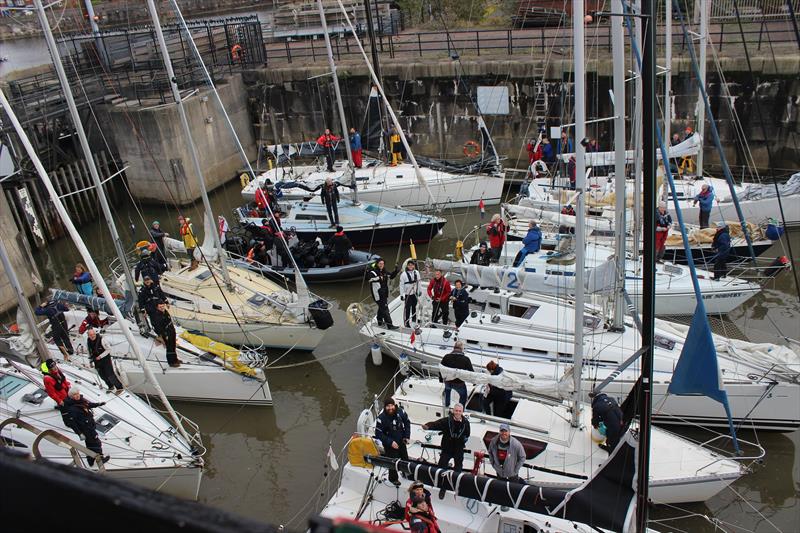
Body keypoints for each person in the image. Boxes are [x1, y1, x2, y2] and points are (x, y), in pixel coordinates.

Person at [62, 388, 109, 466]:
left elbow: (89, 405)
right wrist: (79, 433)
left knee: (90, 444)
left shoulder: (82, 401)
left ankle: (90, 461)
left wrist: (99, 404)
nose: (77, 396)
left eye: (77, 393)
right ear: (71, 397)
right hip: (86, 429)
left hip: (90, 426)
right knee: (96, 443)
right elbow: (72, 423)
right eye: (74, 395)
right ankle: (101, 458)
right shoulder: (72, 409)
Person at [421, 402, 470, 472]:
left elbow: (467, 434)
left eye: (460, 411)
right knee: (441, 465)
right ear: (453, 411)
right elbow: (437, 424)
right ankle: (440, 480)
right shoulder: (447, 421)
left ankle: (456, 480)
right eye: (456, 411)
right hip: (447, 447)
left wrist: (463, 440)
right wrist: (428, 426)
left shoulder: (466, 423)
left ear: (462, 412)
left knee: (458, 467)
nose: (458, 413)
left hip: (459, 448)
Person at [374, 397, 411, 486]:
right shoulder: (381, 418)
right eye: (388, 406)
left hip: (401, 441)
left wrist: (406, 436)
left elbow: (407, 422)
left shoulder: (401, 412)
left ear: (394, 405)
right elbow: (378, 433)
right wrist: (390, 442)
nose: (390, 408)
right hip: (389, 444)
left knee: (405, 458)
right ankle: (393, 478)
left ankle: (406, 473)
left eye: (392, 405)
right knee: (393, 462)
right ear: (385, 407)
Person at [85, 326, 124, 393]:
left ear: (95, 333)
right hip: (97, 360)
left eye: (93, 334)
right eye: (90, 335)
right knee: (102, 375)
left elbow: (109, 349)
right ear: (88, 335)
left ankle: (119, 387)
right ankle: (110, 386)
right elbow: (89, 352)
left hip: (105, 359)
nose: (92, 336)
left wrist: (100, 356)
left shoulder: (102, 339)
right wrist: (90, 361)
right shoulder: (88, 341)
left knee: (110, 375)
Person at [41, 359, 76, 431]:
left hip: (67, 393)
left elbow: (64, 380)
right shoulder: (47, 379)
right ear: (48, 369)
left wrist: (68, 386)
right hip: (61, 398)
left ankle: (74, 417)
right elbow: (51, 393)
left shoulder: (57, 371)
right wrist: (59, 401)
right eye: (52, 366)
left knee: (72, 407)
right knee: (65, 411)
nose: (54, 367)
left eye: (54, 364)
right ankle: (68, 423)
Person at [440, 341, 473, 407]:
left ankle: (447, 406)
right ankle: (460, 409)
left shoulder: (446, 357)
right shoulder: (466, 359)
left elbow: (441, 369)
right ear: (462, 348)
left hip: (448, 382)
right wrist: (473, 382)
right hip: (459, 383)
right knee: (463, 396)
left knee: (447, 391)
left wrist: (441, 379)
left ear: (454, 348)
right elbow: (471, 372)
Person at [369, 259, 399, 329]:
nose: (381, 265)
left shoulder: (384, 271)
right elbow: (370, 279)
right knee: (385, 309)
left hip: (384, 293)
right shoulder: (372, 272)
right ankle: (390, 325)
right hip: (377, 294)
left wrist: (396, 271)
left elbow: (391, 276)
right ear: (377, 264)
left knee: (382, 307)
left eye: (382, 263)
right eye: (380, 263)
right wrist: (379, 278)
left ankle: (379, 320)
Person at [151, 301, 181, 367]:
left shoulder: (165, 312)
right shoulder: (157, 316)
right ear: (157, 307)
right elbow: (158, 327)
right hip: (166, 333)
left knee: (173, 346)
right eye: (160, 307)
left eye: (163, 306)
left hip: (171, 330)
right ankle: (171, 362)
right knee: (169, 347)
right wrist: (164, 335)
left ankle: (175, 359)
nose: (162, 308)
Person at [399, 260, 421, 327]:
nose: (411, 266)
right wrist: (402, 295)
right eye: (409, 265)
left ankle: (414, 318)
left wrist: (419, 291)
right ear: (407, 266)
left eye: (412, 265)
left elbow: (419, 282)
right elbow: (401, 285)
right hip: (407, 294)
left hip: (414, 293)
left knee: (414, 306)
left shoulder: (416, 272)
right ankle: (407, 322)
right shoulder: (403, 274)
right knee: (408, 308)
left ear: (414, 266)